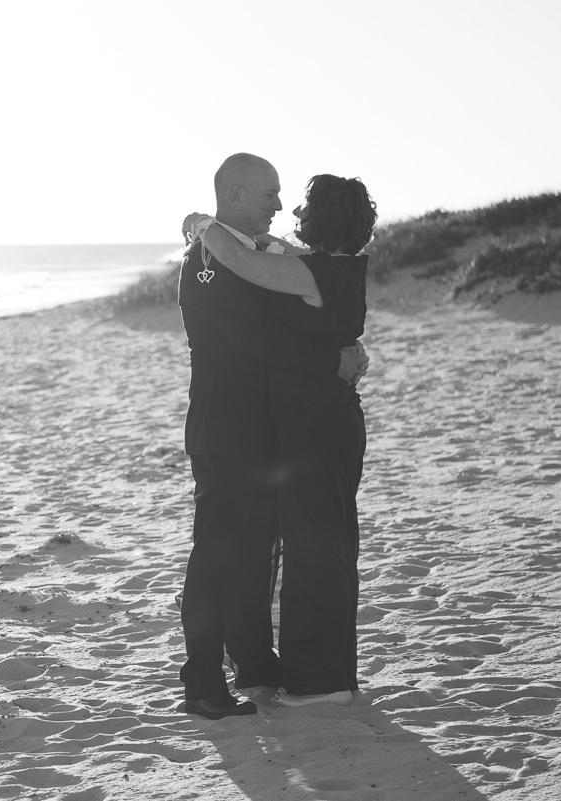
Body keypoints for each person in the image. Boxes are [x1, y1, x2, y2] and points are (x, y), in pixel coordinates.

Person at [176, 154, 367, 719]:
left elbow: (304, 301)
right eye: (269, 196)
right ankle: (204, 681)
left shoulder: (262, 253)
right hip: (227, 430)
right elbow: (257, 336)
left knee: (260, 554)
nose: (279, 207)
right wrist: (333, 359)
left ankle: (257, 666)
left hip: (274, 431)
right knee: (217, 554)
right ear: (234, 197)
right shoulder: (206, 257)